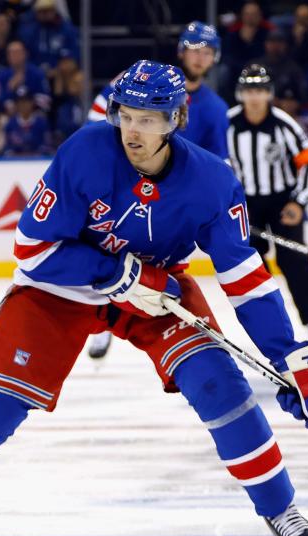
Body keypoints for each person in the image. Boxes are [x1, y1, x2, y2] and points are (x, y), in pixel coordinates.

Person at [0, 59, 308, 536]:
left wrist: (289, 357)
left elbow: (246, 279)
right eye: (127, 114)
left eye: (150, 118)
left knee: (222, 386)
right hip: (60, 289)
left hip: (155, 294)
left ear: (177, 119)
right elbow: (30, 250)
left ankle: (281, 509)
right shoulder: (84, 152)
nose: (134, 129)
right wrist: (117, 272)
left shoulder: (212, 181)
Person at [85, 20, 231, 360]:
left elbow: (217, 164)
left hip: (172, 204)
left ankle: (165, 337)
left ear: (215, 58)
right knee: (110, 257)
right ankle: (101, 322)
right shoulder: (142, 80)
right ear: (181, 50)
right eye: (193, 49)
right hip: (126, 189)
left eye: (206, 52)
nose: (198, 58)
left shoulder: (214, 109)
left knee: (159, 271)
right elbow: (97, 120)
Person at [227, 65, 308, 339]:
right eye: (249, 90)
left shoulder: (284, 124)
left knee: (294, 259)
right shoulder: (228, 125)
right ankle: (268, 321)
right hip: (246, 205)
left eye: (259, 90)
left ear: (269, 93)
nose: (255, 97)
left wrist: (299, 202)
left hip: (282, 201)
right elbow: (216, 167)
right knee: (252, 266)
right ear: (240, 94)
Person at [3, 86, 54, 157]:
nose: (23, 105)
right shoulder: (10, 124)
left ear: (32, 103)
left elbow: (47, 145)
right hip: (15, 162)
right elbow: (7, 148)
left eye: (26, 102)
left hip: (37, 162)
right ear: (16, 105)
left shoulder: (41, 123)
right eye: (20, 102)